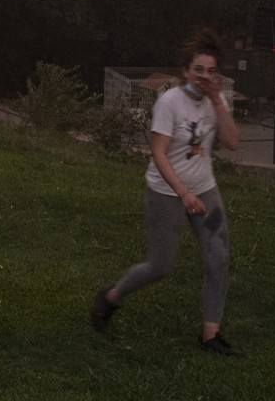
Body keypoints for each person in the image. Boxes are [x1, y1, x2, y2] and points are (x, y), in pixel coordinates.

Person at [92, 29, 243, 356]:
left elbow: (232, 142)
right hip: (166, 193)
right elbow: (158, 153)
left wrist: (218, 100)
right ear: (186, 72)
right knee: (161, 265)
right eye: (198, 70)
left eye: (211, 70)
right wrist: (183, 194)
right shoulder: (169, 102)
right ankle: (111, 297)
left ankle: (210, 336)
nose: (204, 76)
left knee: (218, 258)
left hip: (206, 190)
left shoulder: (216, 101)